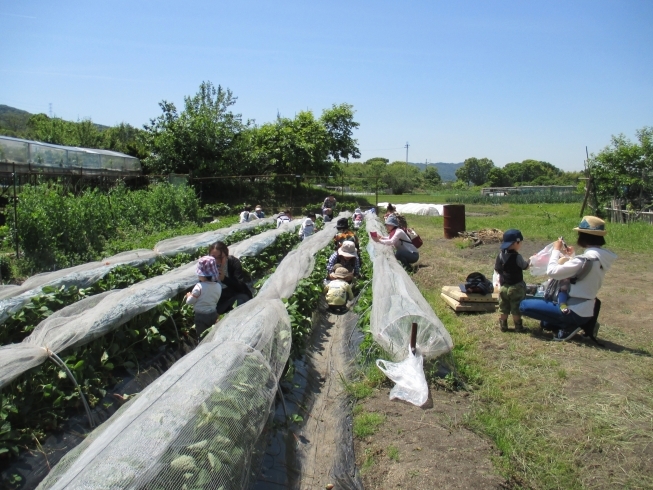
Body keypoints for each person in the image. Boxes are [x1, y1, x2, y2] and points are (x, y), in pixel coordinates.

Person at [519, 216, 617, 340]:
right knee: (546, 324)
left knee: (523, 305)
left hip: (572, 310)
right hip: (585, 307)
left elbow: (553, 271)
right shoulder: (600, 258)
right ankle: (576, 323)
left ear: (584, 236)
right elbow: (581, 274)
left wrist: (556, 250)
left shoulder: (585, 260)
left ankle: (570, 325)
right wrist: (572, 256)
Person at [495, 229, 530, 332]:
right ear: (516, 243)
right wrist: (530, 261)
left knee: (503, 306)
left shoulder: (500, 255)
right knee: (516, 307)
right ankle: (518, 327)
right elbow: (524, 266)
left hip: (504, 286)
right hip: (516, 286)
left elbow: (497, 268)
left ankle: (503, 325)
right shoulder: (517, 256)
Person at [208, 241, 253, 315]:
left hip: (235, 294)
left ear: (226, 256)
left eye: (220, 257)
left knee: (241, 302)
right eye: (213, 257)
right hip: (220, 300)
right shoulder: (207, 266)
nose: (216, 261)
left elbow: (240, 286)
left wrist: (224, 279)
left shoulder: (233, 263)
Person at [185, 256, 222, 338]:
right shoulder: (218, 286)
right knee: (212, 334)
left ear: (203, 275)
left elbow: (189, 301)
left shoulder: (199, 287)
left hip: (201, 316)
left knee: (202, 335)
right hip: (213, 313)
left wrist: (189, 296)